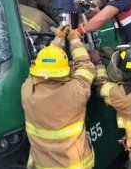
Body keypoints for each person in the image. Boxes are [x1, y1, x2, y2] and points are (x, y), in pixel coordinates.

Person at [21, 25, 95, 169]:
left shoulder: (27, 90)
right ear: (64, 70)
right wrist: (74, 40)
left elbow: (38, 70)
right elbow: (86, 67)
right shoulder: (75, 91)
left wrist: (57, 40)